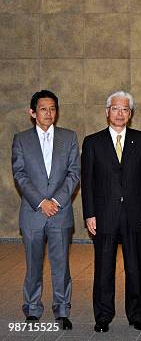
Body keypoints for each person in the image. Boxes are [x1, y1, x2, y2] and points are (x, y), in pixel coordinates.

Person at [81, 91, 141, 333]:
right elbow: (88, 182)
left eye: (125, 109)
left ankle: (136, 315)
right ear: (107, 112)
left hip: (135, 215)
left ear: (130, 114)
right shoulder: (92, 142)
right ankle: (103, 316)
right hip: (104, 215)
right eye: (115, 108)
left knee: (135, 268)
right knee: (104, 269)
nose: (120, 113)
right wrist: (89, 214)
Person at [12, 90, 80, 330]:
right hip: (33, 213)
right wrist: (41, 201)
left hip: (60, 213)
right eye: (43, 109)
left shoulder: (69, 137)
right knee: (33, 265)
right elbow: (19, 175)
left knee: (61, 266)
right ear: (32, 112)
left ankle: (62, 310)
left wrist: (56, 202)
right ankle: (32, 309)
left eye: (52, 108)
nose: (48, 113)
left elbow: (74, 174)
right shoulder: (21, 139)